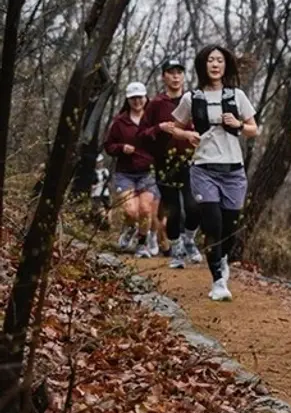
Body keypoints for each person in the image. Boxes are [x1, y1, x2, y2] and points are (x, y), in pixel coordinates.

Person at [170, 45, 259, 300]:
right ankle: (218, 282)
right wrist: (187, 134)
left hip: (233, 169)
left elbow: (255, 129)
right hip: (203, 168)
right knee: (213, 223)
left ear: (226, 65)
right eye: (210, 60)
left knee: (230, 227)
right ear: (203, 65)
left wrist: (239, 124)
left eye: (219, 60)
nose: (215, 65)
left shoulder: (237, 95)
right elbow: (174, 127)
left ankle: (222, 259)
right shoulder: (192, 97)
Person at [139, 57, 203, 268]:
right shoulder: (156, 104)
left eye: (179, 72)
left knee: (194, 206)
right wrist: (159, 129)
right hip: (165, 163)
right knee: (173, 209)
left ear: (184, 76)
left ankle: (189, 240)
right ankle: (176, 250)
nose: (175, 77)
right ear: (164, 76)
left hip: (191, 161)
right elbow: (142, 134)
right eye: (171, 72)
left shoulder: (194, 99)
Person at [103, 82, 161, 257]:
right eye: (133, 98)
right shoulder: (120, 122)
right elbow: (108, 146)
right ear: (127, 100)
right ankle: (129, 229)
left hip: (147, 172)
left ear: (146, 98)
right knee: (131, 210)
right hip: (125, 173)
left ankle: (141, 245)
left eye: (140, 97)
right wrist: (121, 148)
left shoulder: (153, 120)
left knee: (145, 210)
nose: (137, 101)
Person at [90, 153, 111, 230]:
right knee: (96, 209)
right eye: (98, 162)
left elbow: (109, 183)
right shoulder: (93, 172)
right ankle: (96, 225)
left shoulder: (106, 171)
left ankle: (107, 224)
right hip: (96, 193)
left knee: (107, 208)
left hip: (105, 193)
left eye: (101, 161)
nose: (100, 163)